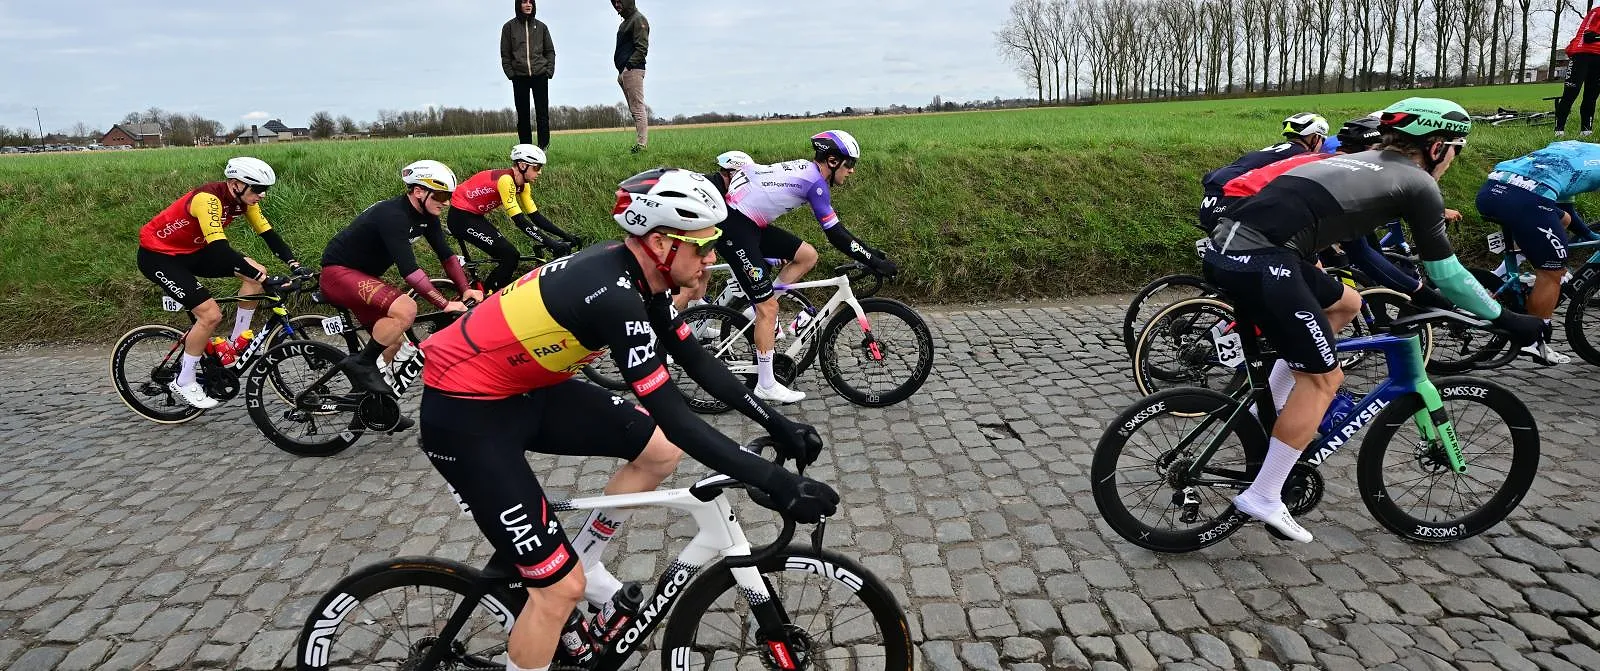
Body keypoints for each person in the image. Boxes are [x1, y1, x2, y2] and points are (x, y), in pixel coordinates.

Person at [416, 167, 838, 671]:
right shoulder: (615, 296)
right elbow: (680, 416)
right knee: (557, 592)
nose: (710, 258)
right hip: (465, 416)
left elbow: (700, 364)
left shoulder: (640, 275)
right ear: (660, 243)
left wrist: (776, 424)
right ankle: (569, 585)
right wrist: (773, 480)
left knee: (658, 450)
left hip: (522, 390)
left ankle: (588, 567)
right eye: (700, 246)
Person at [1203, 97, 1543, 543]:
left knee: (1346, 303)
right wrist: (1509, 320)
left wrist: (1422, 294)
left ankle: (1269, 405)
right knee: (1324, 379)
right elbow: (1447, 272)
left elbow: (1363, 252)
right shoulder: (1417, 183)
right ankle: (1264, 495)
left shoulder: (1355, 162)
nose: (1453, 160)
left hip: (1228, 249)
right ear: (1438, 147)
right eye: (1456, 150)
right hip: (1264, 261)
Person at [710, 130, 897, 403]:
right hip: (736, 228)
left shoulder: (807, 171)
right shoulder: (815, 183)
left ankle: (757, 308)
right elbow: (835, 234)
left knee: (807, 255)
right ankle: (765, 382)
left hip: (750, 223)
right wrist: (873, 260)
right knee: (769, 309)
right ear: (832, 161)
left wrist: (870, 253)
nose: (852, 172)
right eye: (850, 165)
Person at [136, 157, 307, 408]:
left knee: (255, 271)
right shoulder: (208, 200)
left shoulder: (242, 201)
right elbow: (220, 250)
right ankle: (184, 380)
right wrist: (264, 279)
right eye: (258, 189)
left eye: (265, 190)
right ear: (236, 184)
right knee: (210, 315)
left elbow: (269, 235)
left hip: (191, 252)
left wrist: (295, 264)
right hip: (160, 257)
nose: (262, 195)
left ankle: (235, 343)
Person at [320, 160, 484, 398]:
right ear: (418, 191)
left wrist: (465, 289)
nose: (446, 202)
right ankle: (362, 364)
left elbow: (446, 256)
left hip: (363, 276)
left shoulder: (427, 215)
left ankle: (369, 401)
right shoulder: (393, 215)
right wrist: (445, 304)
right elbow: (410, 271)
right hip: (338, 273)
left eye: (448, 195)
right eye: (439, 195)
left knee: (394, 343)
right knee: (407, 308)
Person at [1475, 140, 1600, 364]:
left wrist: (1590, 236)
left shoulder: (1576, 147)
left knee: (1562, 220)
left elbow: (1565, 207)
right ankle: (1533, 341)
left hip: (1492, 189)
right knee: (1553, 273)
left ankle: (1504, 275)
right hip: (1527, 201)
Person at [448, 144, 582, 291]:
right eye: (536, 167)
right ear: (523, 165)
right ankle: (486, 298)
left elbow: (536, 217)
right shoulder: (506, 180)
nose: (540, 172)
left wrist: (566, 236)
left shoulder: (523, 185)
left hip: (474, 216)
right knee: (510, 256)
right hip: (460, 217)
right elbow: (519, 221)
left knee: (508, 255)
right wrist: (552, 244)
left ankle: (490, 291)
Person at [1197, 113, 1330, 232]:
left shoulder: (1277, 149)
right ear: (1314, 138)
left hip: (1212, 194)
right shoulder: (1301, 156)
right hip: (1232, 197)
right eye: (1322, 140)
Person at [502, 0, 556, 148]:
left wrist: (548, 71)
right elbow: (505, 54)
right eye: (524, 2)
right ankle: (526, 149)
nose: (528, 5)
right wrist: (511, 74)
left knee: (542, 115)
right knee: (523, 115)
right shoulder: (509, 28)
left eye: (530, 2)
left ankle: (543, 149)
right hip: (519, 77)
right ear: (518, 4)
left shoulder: (541, 27)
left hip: (540, 75)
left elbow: (550, 51)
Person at [1556, 4, 1600, 137]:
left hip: (1598, 59)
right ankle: (1559, 130)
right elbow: (1587, 36)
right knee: (1570, 94)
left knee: (1591, 97)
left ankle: (1586, 131)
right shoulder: (1596, 12)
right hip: (1582, 56)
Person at [612, 0, 649, 153]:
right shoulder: (625, 23)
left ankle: (641, 145)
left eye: (620, 1)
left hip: (633, 70)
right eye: (614, 2)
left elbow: (642, 48)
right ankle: (639, 144)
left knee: (638, 108)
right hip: (624, 72)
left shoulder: (638, 19)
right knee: (633, 109)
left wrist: (628, 67)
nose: (616, 4)